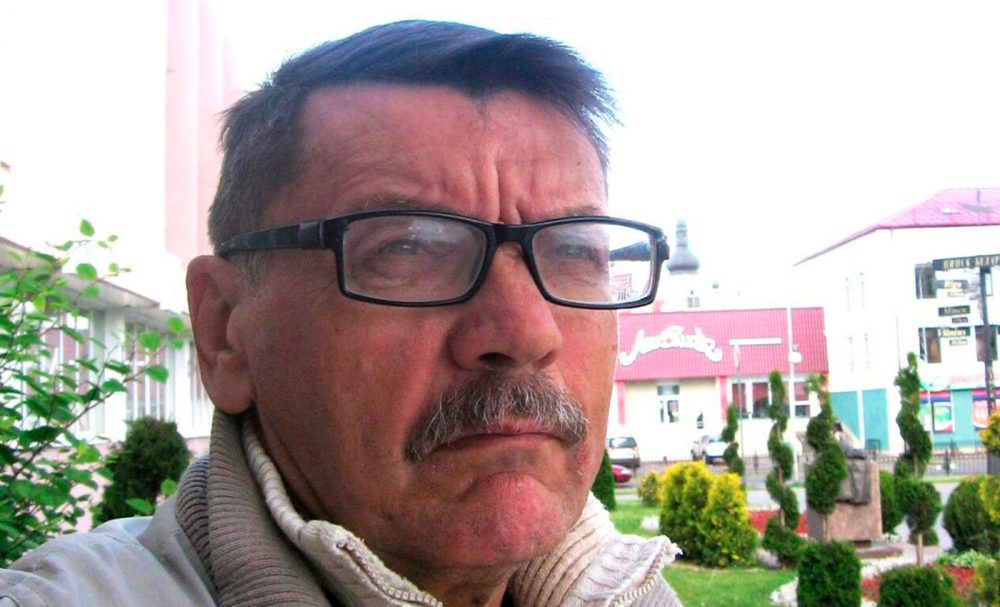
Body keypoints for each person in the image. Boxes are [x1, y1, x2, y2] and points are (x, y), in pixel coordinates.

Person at [1, 20, 681, 606]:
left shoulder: (635, 592)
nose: (527, 331)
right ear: (223, 333)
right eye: (409, 247)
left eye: (573, 251)